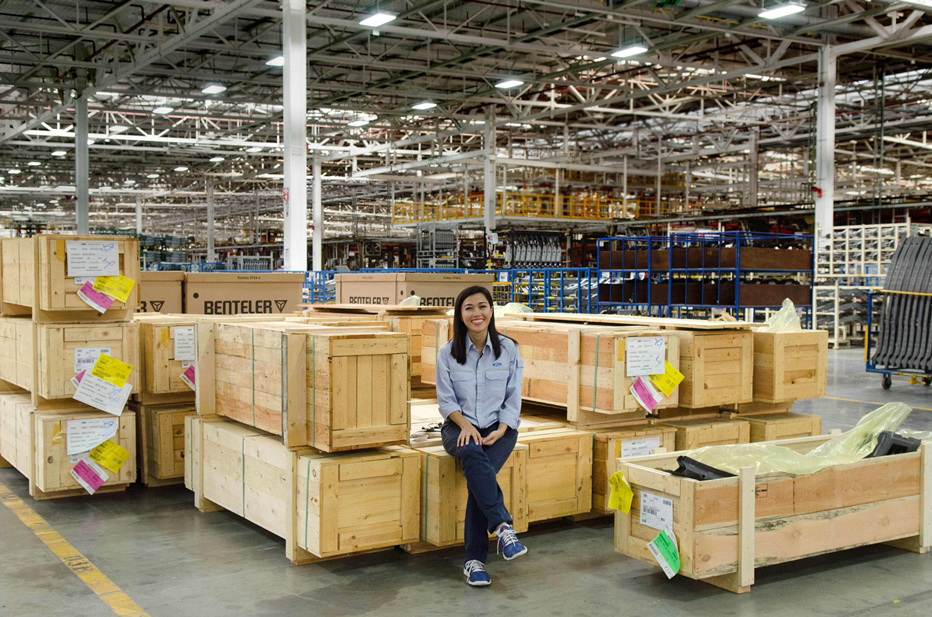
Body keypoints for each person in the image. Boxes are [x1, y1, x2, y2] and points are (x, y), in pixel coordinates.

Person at [435, 285, 527, 587]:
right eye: (469, 308)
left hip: (499, 428)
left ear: (491, 310)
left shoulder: (509, 349)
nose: (477, 313)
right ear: (460, 315)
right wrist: (465, 426)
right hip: (457, 426)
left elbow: (514, 396)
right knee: (473, 453)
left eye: (482, 306)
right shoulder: (448, 353)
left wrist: (503, 427)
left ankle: (474, 562)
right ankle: (502, 527)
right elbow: (446, 401)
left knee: (479, 480)